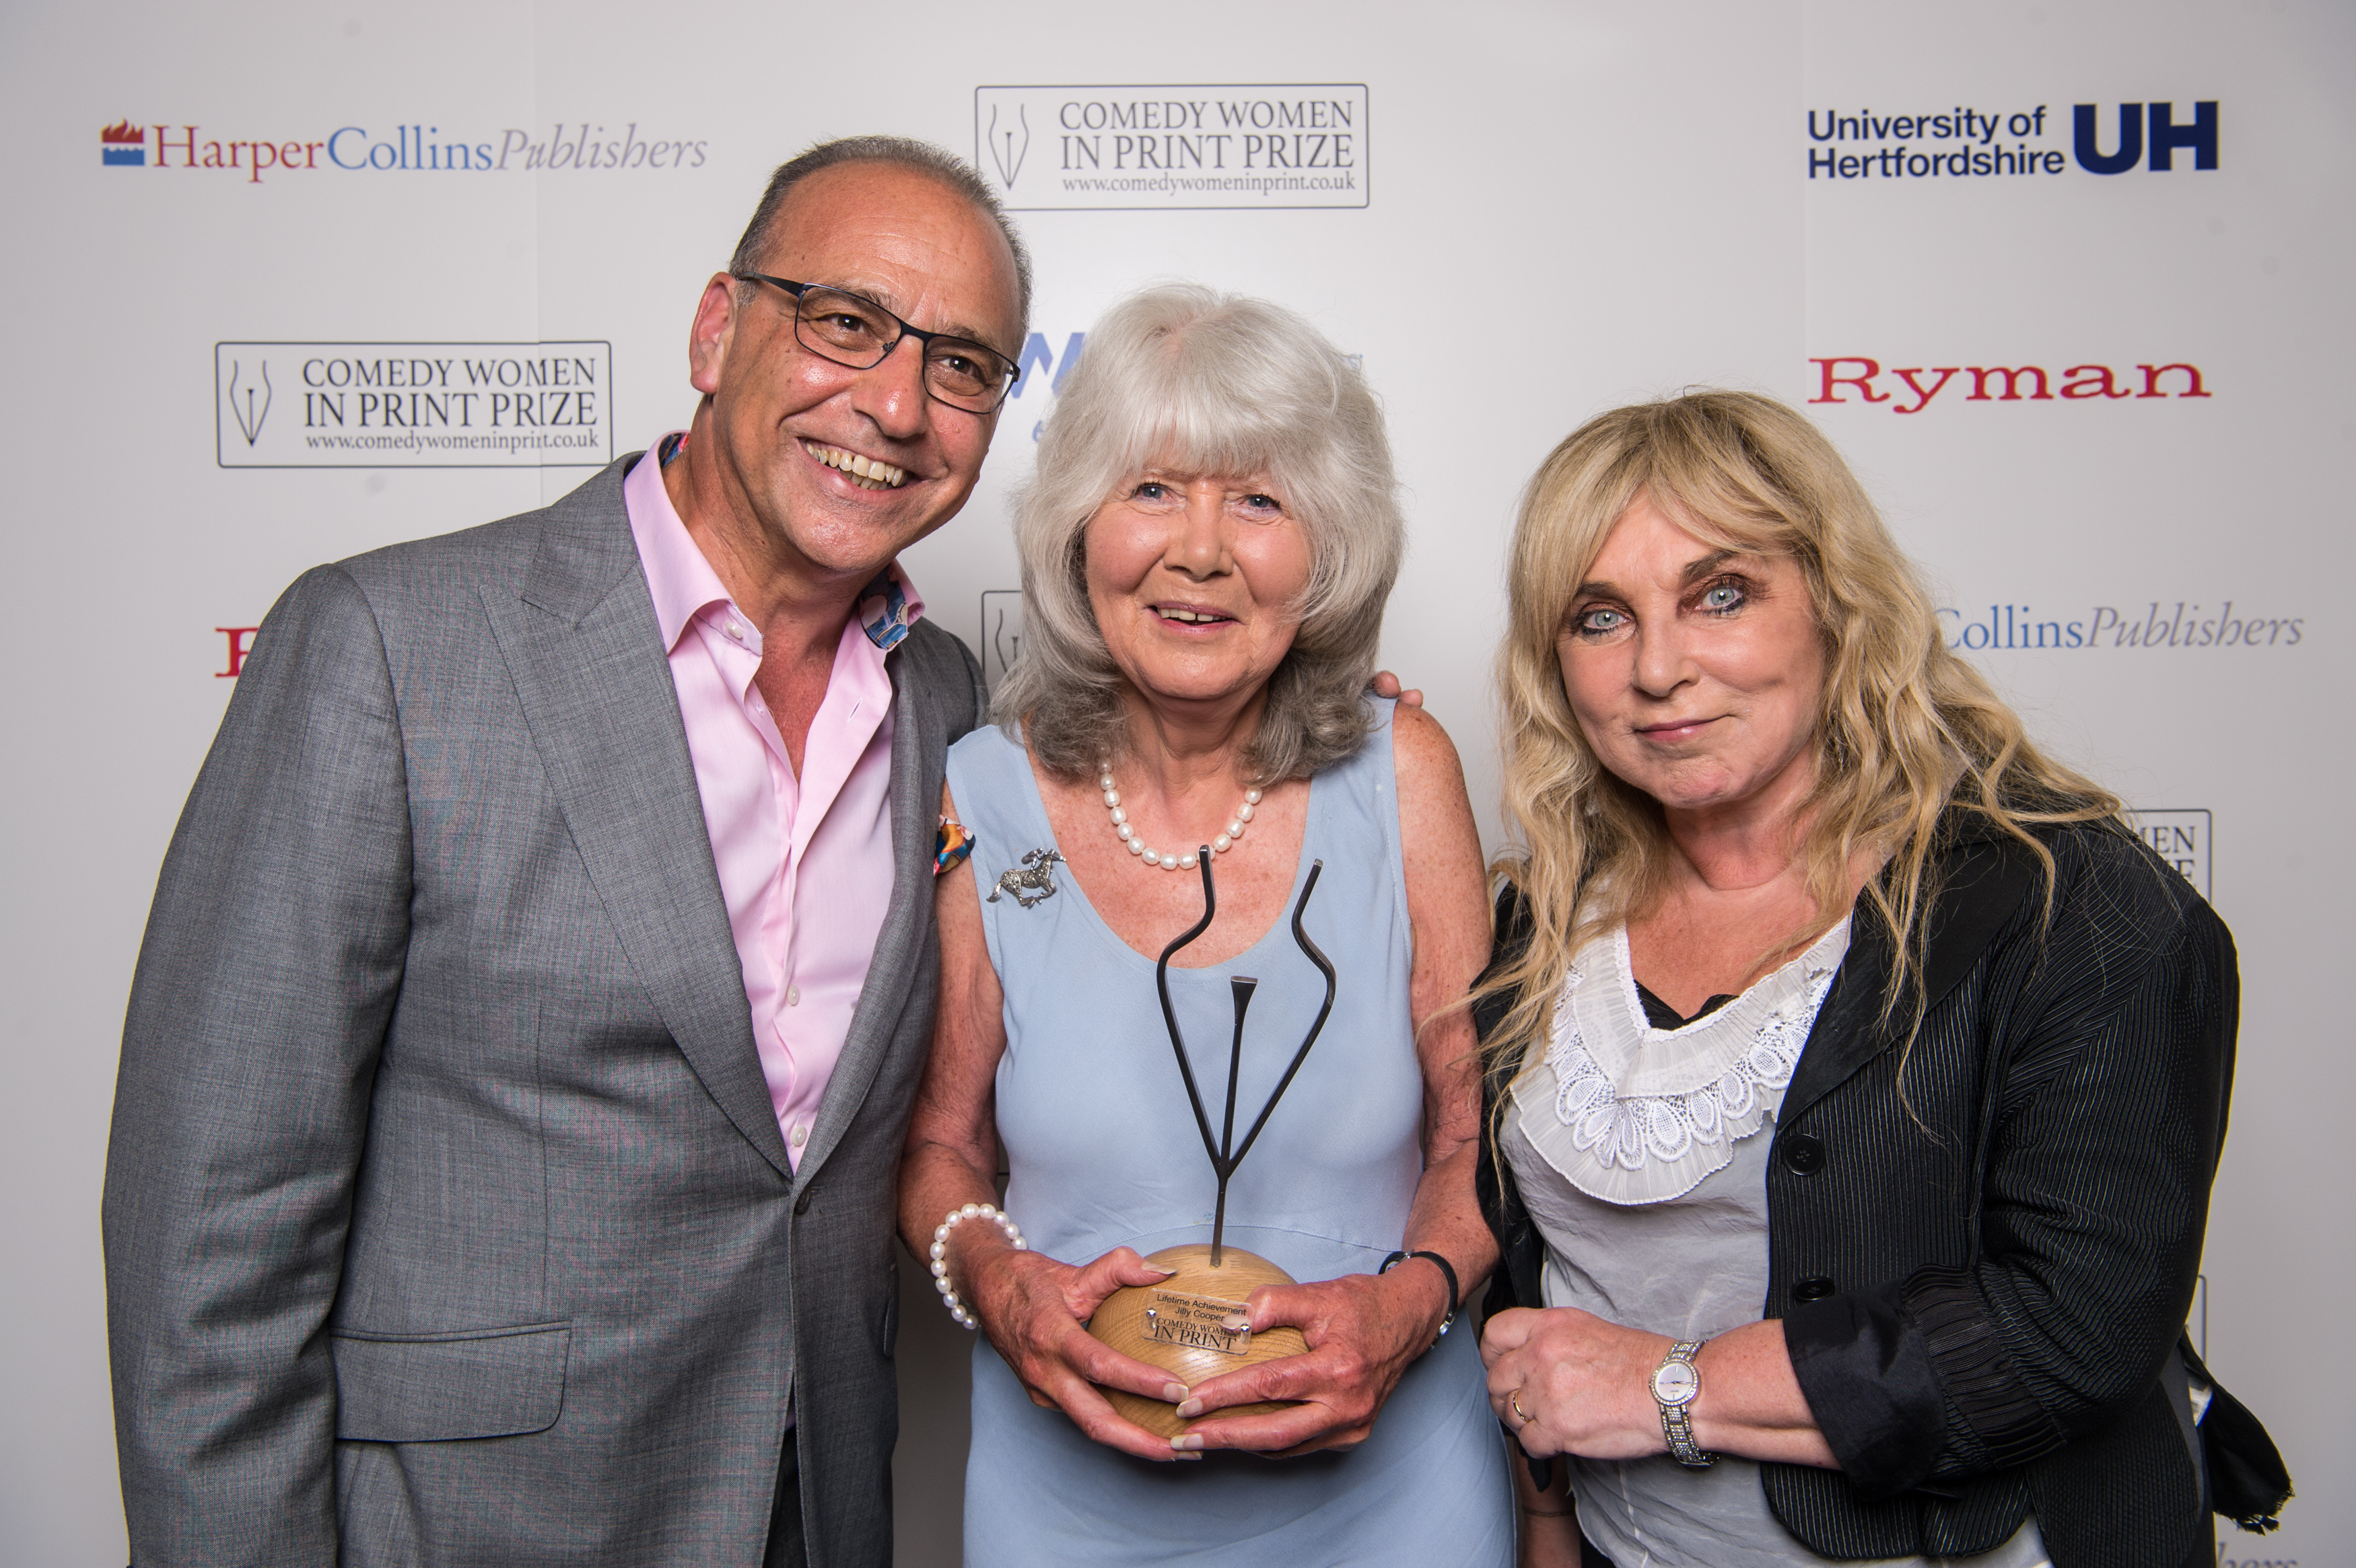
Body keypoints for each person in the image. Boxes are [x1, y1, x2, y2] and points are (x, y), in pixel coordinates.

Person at [104, 137, 1030, 1567]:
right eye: (844, 323)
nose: (897, 404)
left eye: (960, 365)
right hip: (472, 1526)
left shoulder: (945, 698)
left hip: (811, 1507)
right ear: (717, 329)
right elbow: (210, 1233)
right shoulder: (389, 646)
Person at [1471, 390, 2286, 1568]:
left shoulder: (2078, 906)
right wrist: (1548, 1522)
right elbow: (1533, 1297)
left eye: (1721, 594)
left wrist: (1668, 1384)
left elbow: (2075, 1323)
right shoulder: (1541, 920)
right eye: (1600, 618)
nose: (1658, 668)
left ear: (1835, 606)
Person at [897, 284, 1514, 1565]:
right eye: (1154, 491)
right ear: (1079, 531)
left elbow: (1481, 1138)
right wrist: (1004, 1289)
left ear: (1328, 551)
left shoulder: (1407, 771)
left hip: (1390, 1491)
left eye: (1260, 500)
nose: (1200, 550)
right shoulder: (982, 789)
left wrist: (1403, 1312)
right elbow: (941, 1145)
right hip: (1067, 1497)